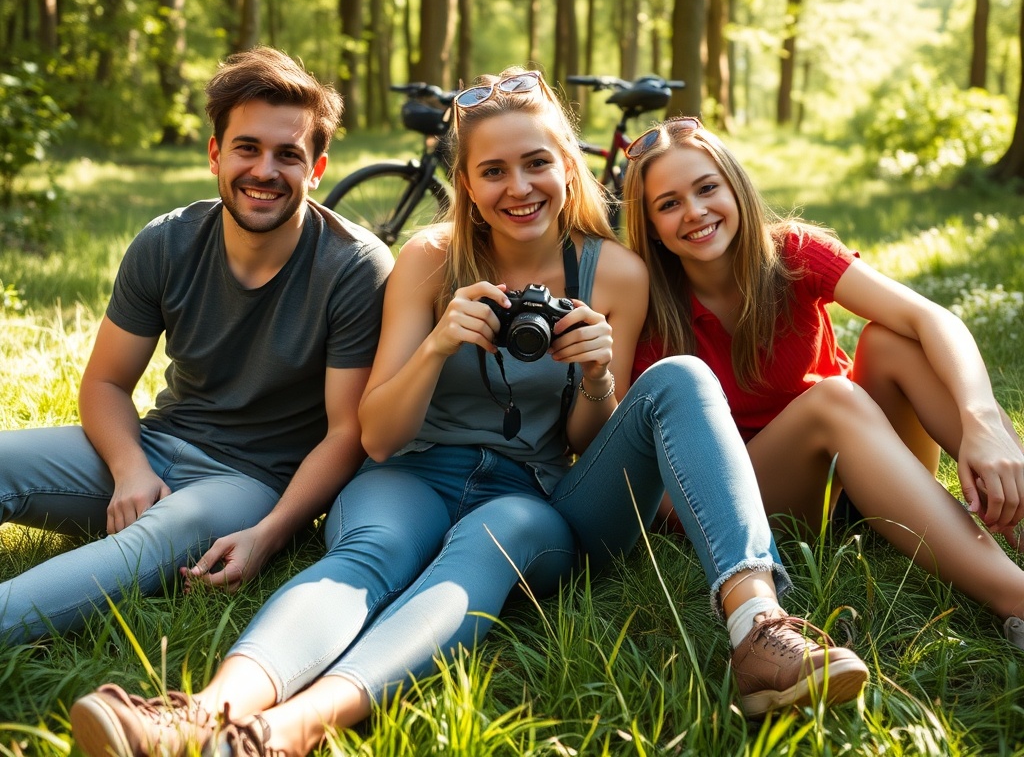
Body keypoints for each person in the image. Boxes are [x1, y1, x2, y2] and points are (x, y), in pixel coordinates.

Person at [71, 68, 867, 757]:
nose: (517, 188)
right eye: (493, 171)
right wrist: (435, 344)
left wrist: (594, 379)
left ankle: (757, 627)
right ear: (468, 185)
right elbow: (377, 434)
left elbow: (590, 441)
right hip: (412, 471)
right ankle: (205, 717)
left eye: (536, 164)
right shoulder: (427, 258)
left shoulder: (615, 273)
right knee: (361, 560)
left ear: (566, 169)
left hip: (539, 494)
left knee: (662, 399)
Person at [0, 46, 392, 646]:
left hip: (250, 483)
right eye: (247, 148)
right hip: (154, 447)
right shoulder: (166, 243)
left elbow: (346, 433)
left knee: (156, 537)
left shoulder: (354, 267)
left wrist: (273, 531)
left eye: (288, 155)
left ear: (316, 169)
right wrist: (130, 468)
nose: (264, 170)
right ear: (215, 155)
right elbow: (105, 382)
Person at [621, 115, 1024, 651]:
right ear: (649, 224)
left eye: (706, 188)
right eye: (668, 204)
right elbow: (645, 462)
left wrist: (982, 423)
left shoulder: (791, 252)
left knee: (891, 339)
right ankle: (1015, 597)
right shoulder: (645, 303)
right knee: (833, 399)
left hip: (866, 463)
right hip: (761, 499)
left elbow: (933, 319)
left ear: (735, 188)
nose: (695, 212)